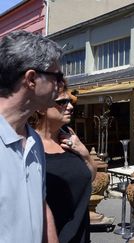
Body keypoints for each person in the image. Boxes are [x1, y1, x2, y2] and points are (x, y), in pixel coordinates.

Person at [0, 30, 64, 243]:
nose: (60, 86)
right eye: (57, 76)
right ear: (31, 79)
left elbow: (41, 204)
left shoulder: (34, 140)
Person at [31, 86, 97, 242]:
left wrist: (85, 154)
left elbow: (90, 177)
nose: (70, 106)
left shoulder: (69, 137)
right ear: (41, 108)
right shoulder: (29, 145)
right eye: (62, 102)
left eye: (70, 101)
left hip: (81, 236)